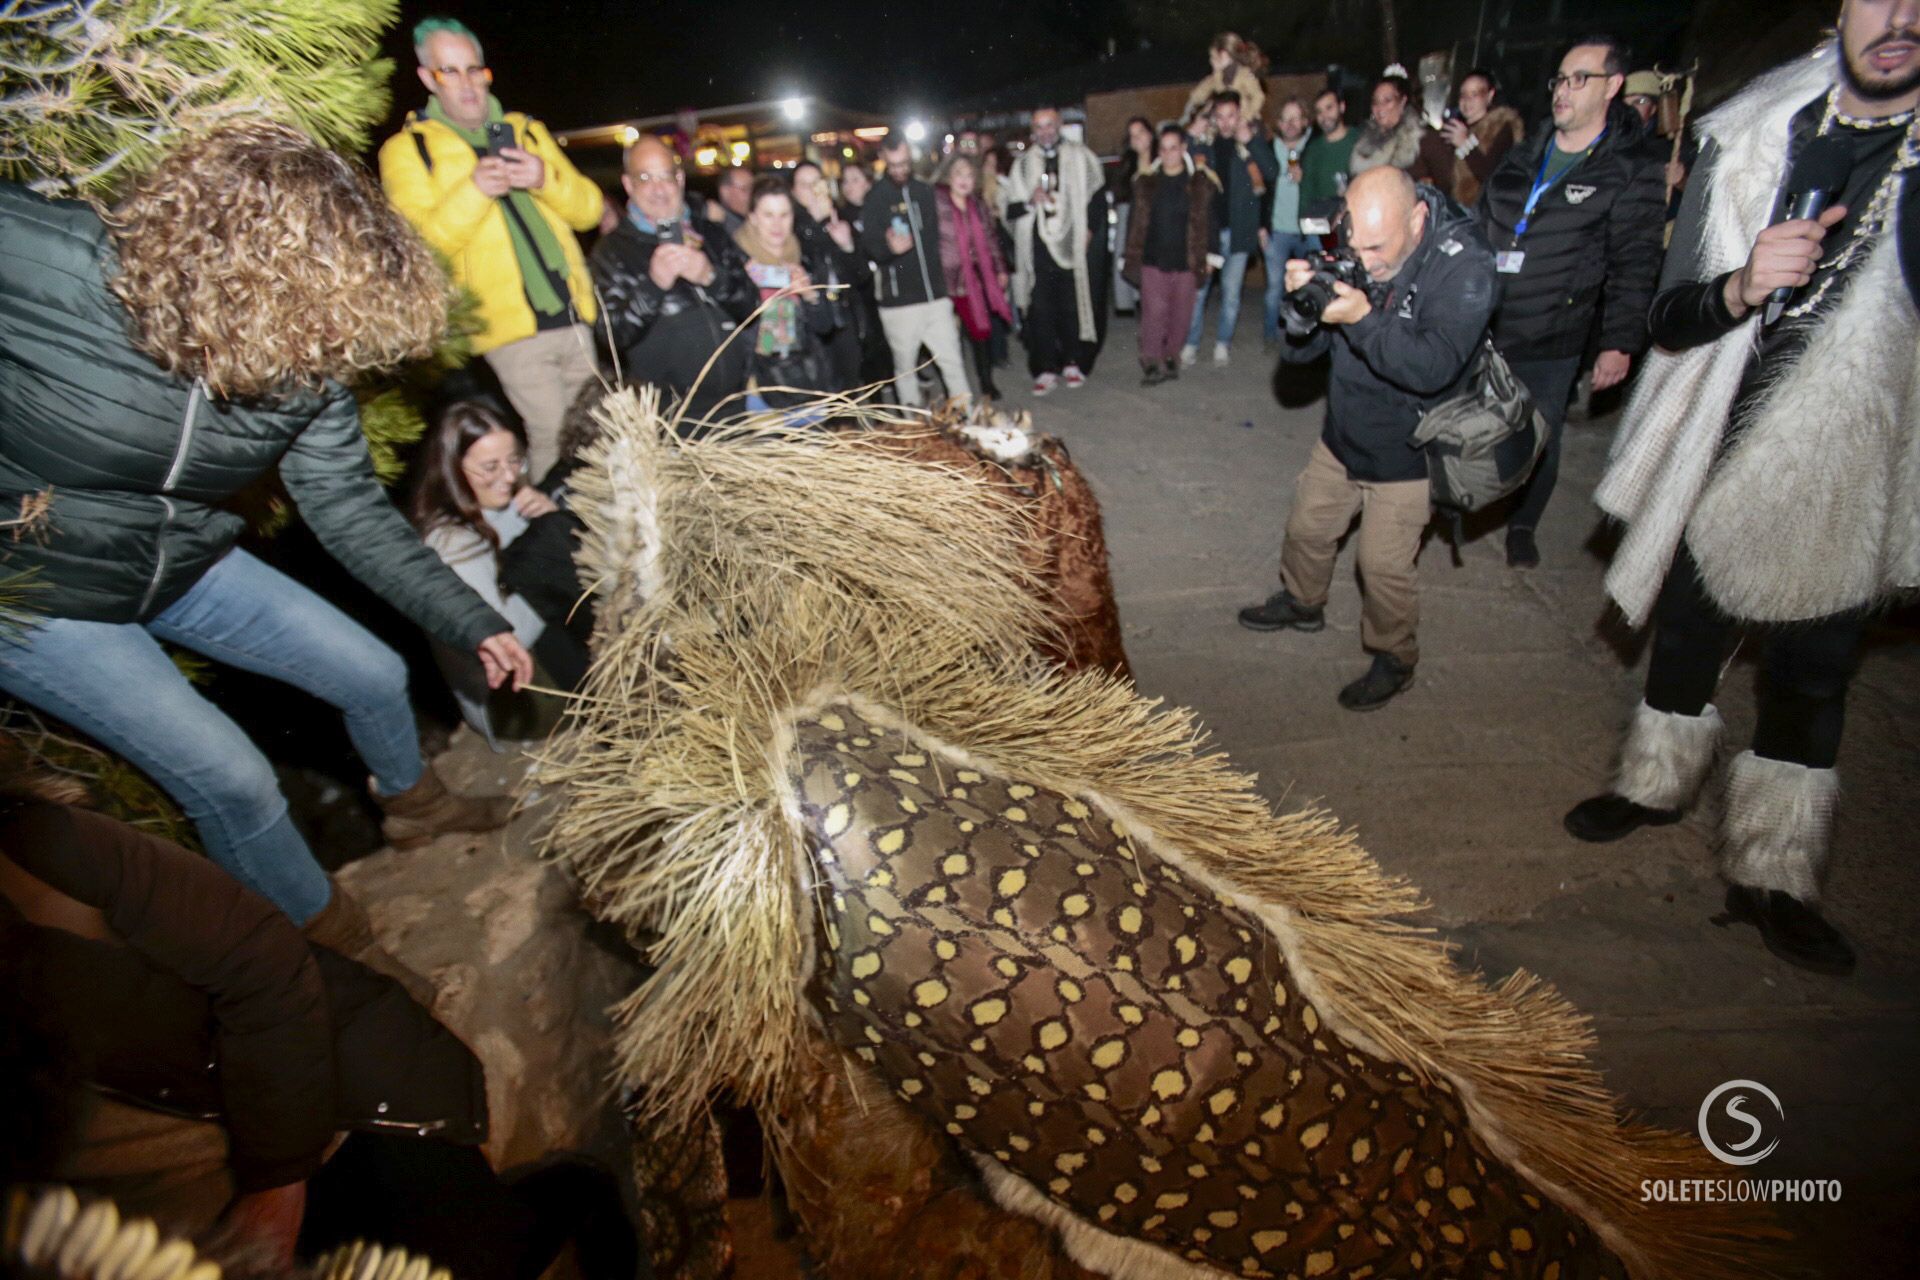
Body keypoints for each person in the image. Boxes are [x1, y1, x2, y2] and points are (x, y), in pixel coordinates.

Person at [0, 123, 530, 930]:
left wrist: (469, 617)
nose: (333, 355)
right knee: (235, 781)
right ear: (251, 274)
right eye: (326, 322)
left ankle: (417, 807)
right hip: (42, 589)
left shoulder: (311, 373)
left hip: (183, 558)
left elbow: (351, 511)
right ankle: (341, 957)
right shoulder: (61, 268)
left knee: (373, 673)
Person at [1566, 5, 1920, 976]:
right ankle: (1654, 785)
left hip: (1851, 472)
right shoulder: (1758, 135)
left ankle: (1773, 874)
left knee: (1811, 677)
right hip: (1717, 450)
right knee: (1684, 632)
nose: (1900, 19)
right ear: (1842, 12)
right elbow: (1669, 317)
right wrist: (1741, 285)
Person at [0, 766, 638, 1280]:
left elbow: (263, 964)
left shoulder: (38, 853)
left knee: (481, 1254)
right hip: (172, 1216)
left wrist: (275, 1184)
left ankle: (572, 1191)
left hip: (324, 1113)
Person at [1237, 167, 1496, 710]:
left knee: (1380, 567)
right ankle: (1303, 603)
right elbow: (1300, 355)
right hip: (1344, 430)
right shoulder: (1351, 235)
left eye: (1377, 247)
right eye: (1355, 242)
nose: (1365, 258)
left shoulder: (1467, 264)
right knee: (1307, 527)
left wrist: (1359, 316)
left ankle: (1394, 655)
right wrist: (1302, 312)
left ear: (1418, 219)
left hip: (1412, 449)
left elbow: (1432, 367)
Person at [379, 17, 604, 479]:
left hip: (571, 311)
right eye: (450, 71)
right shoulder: (407, 150)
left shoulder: (525, 131)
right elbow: (420, 247)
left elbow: (590, 210)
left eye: (473, 69)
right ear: (427, 79)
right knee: (554, 434)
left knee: (601, 430)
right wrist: (475, 189)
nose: (467, 84)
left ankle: (615, 536)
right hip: (508, 330)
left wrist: (545, 179)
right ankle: (558, 542)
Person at [1478, 36, 1667, 568]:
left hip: (1553, 334)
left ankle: (1522, 525)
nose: (1563, 90)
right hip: (1490, 318)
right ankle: (1467, 498)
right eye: (1560, 79)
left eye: (1579, 78)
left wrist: (1619, 344)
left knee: (1539, 435)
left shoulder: (1629, 169)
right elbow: (1482, 220)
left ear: (1613, 87)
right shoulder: (1526, 154)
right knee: (1474, 418)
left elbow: (1635, 264)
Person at [411, 403, 592, 743]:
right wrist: (548, 557)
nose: (508, 477)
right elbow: (509, 640)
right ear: (452, 470)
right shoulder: (451, 543)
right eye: (490, 467)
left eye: (514, 461)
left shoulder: (511, 499)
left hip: (544, 648)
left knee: (558, 534)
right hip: (514, 692)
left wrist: (549, 516)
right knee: (554, 545)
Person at [590, 136, 759, 425]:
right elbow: (611, 334)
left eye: (665, 176)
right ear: (629, 185)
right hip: (669, 419)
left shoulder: (712, 235)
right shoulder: (613, 250)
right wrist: (653, 285)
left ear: (679, 179)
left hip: (734, 407)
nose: (658, 189)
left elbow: (751, 305)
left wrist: (710, 277)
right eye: (645, 178)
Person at [860, 132, 975, 408]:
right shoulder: (875, 198)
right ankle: (912, 433)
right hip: (899, 305)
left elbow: (939, 239)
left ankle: (968, 425)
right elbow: (871, 248)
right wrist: (889, 250)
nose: (900, 170)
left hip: (936, 297)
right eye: (894, 165)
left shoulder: (925, 191)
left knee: (953, 365)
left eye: (904, 163)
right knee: (907, 371)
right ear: (883, 159)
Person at [1002, 107, 1109, 395]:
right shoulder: (1023, 165)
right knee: (1041, 309)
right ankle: (1045, 367)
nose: (1045, 131)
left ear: (1059, 125)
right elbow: (1009, 209)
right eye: (1039, 126)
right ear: (1033, 131)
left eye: (1050, 125)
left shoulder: (1080, 155)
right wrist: (1029, 201)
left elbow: (1097, 197)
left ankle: (1074, 361)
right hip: (1037, 249)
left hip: (1072, 244)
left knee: (1072, 305)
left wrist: (1087, 234)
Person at [1181, 90, 1276, 368]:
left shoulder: (1247, 143)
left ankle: (1223, 343)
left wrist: (1252, 142)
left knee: (1231, 294)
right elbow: (1175, 159)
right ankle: (1191, 343)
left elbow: (1271, 172)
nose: (1225, 122)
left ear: (1239, 115)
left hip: (1238, 232)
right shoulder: (1203, 145)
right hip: (1207, 234)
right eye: (1219, 116)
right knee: (1198, 292)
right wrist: (1189, 134)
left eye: (1231, 116)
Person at [1122, 125, 1222, 384]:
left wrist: (1211, 256)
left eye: (1173, 148)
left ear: (1183, 149)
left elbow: (1210, 222)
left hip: (1187, 261)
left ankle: (1171, 357)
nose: (1168, 154)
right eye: (1163, 149)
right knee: (1154, 313)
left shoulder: (1200, 184)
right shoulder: (1145, 183)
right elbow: (1134, 222)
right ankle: (1151, 361)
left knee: (1181, 314)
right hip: (1153, 259)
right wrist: (1129, 254)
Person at [733, 177, 842, 410]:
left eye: (784, 215)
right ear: (752, 217)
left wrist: (811, 296)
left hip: (806, 382)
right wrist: (744, 290)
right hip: (760, 390)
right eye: (768, 215)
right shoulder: (736, 261)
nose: (777, 224)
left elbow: (825, 326)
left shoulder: (801, 256)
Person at [934, 155, 1014, 400]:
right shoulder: (936, 202)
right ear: (948, 176)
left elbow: (991, 240)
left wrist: (1000, 269)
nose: (964, 180)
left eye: (969, 175)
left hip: (973, 281)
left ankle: (986, 381)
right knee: (947, 339)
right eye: (959, 174)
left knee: (980, 333)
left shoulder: (978, 205)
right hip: (944, 281)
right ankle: (953, 389)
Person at [793, 160, 870, 392]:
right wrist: (817, 224)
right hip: (814, 320)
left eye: (816, 183)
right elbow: (802, 258)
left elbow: (862, 275)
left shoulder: (837, 217)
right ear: (794, 191)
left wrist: (847, 246)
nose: (812, 190)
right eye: (804, 185)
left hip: (844, 315)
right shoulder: (790, 223)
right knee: (826, 388)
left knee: (850, 385)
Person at [1412, 68, 1524, 207]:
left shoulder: (1501, 127)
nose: (1467, 101)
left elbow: (1491, 176)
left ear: (1489, 95)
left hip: (1483, 212)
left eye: (1474, 94)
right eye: (1463, 95)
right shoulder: (1457, 127)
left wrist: (1465, 144)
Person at [1261, 97, 1316, 347]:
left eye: (1296, 118)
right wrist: (1260, 227)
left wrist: (1306, 178)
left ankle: (1307, 337)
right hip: (1277, 231)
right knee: (1274, 290)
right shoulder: (1269, 148)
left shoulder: (1315, 147)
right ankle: (1272, 336)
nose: (1291, 124)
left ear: (1305, 121)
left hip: (1307, 231)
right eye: (1286, 119)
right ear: (1279, 124)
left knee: (1309, 287)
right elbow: (1259, 192)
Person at [1111, 115, 1157, 316]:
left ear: (1150, 134)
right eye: (1132, 135)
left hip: (1155, 211)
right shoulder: (1128, 164)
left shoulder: (1160, 160)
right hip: (1130, 210)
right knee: (1125, 253)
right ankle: (1126, 302)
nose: (1137, 138)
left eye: (1141, 133)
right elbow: (1120, 192)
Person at [1182, 32, 1268, 126]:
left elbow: (1258, 97)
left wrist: (1247, 117)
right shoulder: (1217, 77)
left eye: (1213, 57)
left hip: (1242, 120)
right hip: (1223, 118)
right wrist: (1195, 99)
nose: (1210, 61)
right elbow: (1203, 89)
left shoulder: (1244, 75)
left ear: (1224, 55)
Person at [1350, 69, 1423, 174]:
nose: (1380, 108)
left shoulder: (1421, 140)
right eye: (1375, 102)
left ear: (1402, 101)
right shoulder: (1362, 144)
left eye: (1387, 100)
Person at [1299, 88, 1361, 212]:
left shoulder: (1360, 140)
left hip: (1358, 219)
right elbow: (1306, 191)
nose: (1324, 116)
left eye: (1329, 108)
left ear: (1342, 107)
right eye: (1319, 112)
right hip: (1323, 224)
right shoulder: (1313, 150)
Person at [708, 164, 753, 236]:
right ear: (725, 191)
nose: (752, 195)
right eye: (745, 189)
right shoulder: (720, 226)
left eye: (753, 189)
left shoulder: (752, 220)